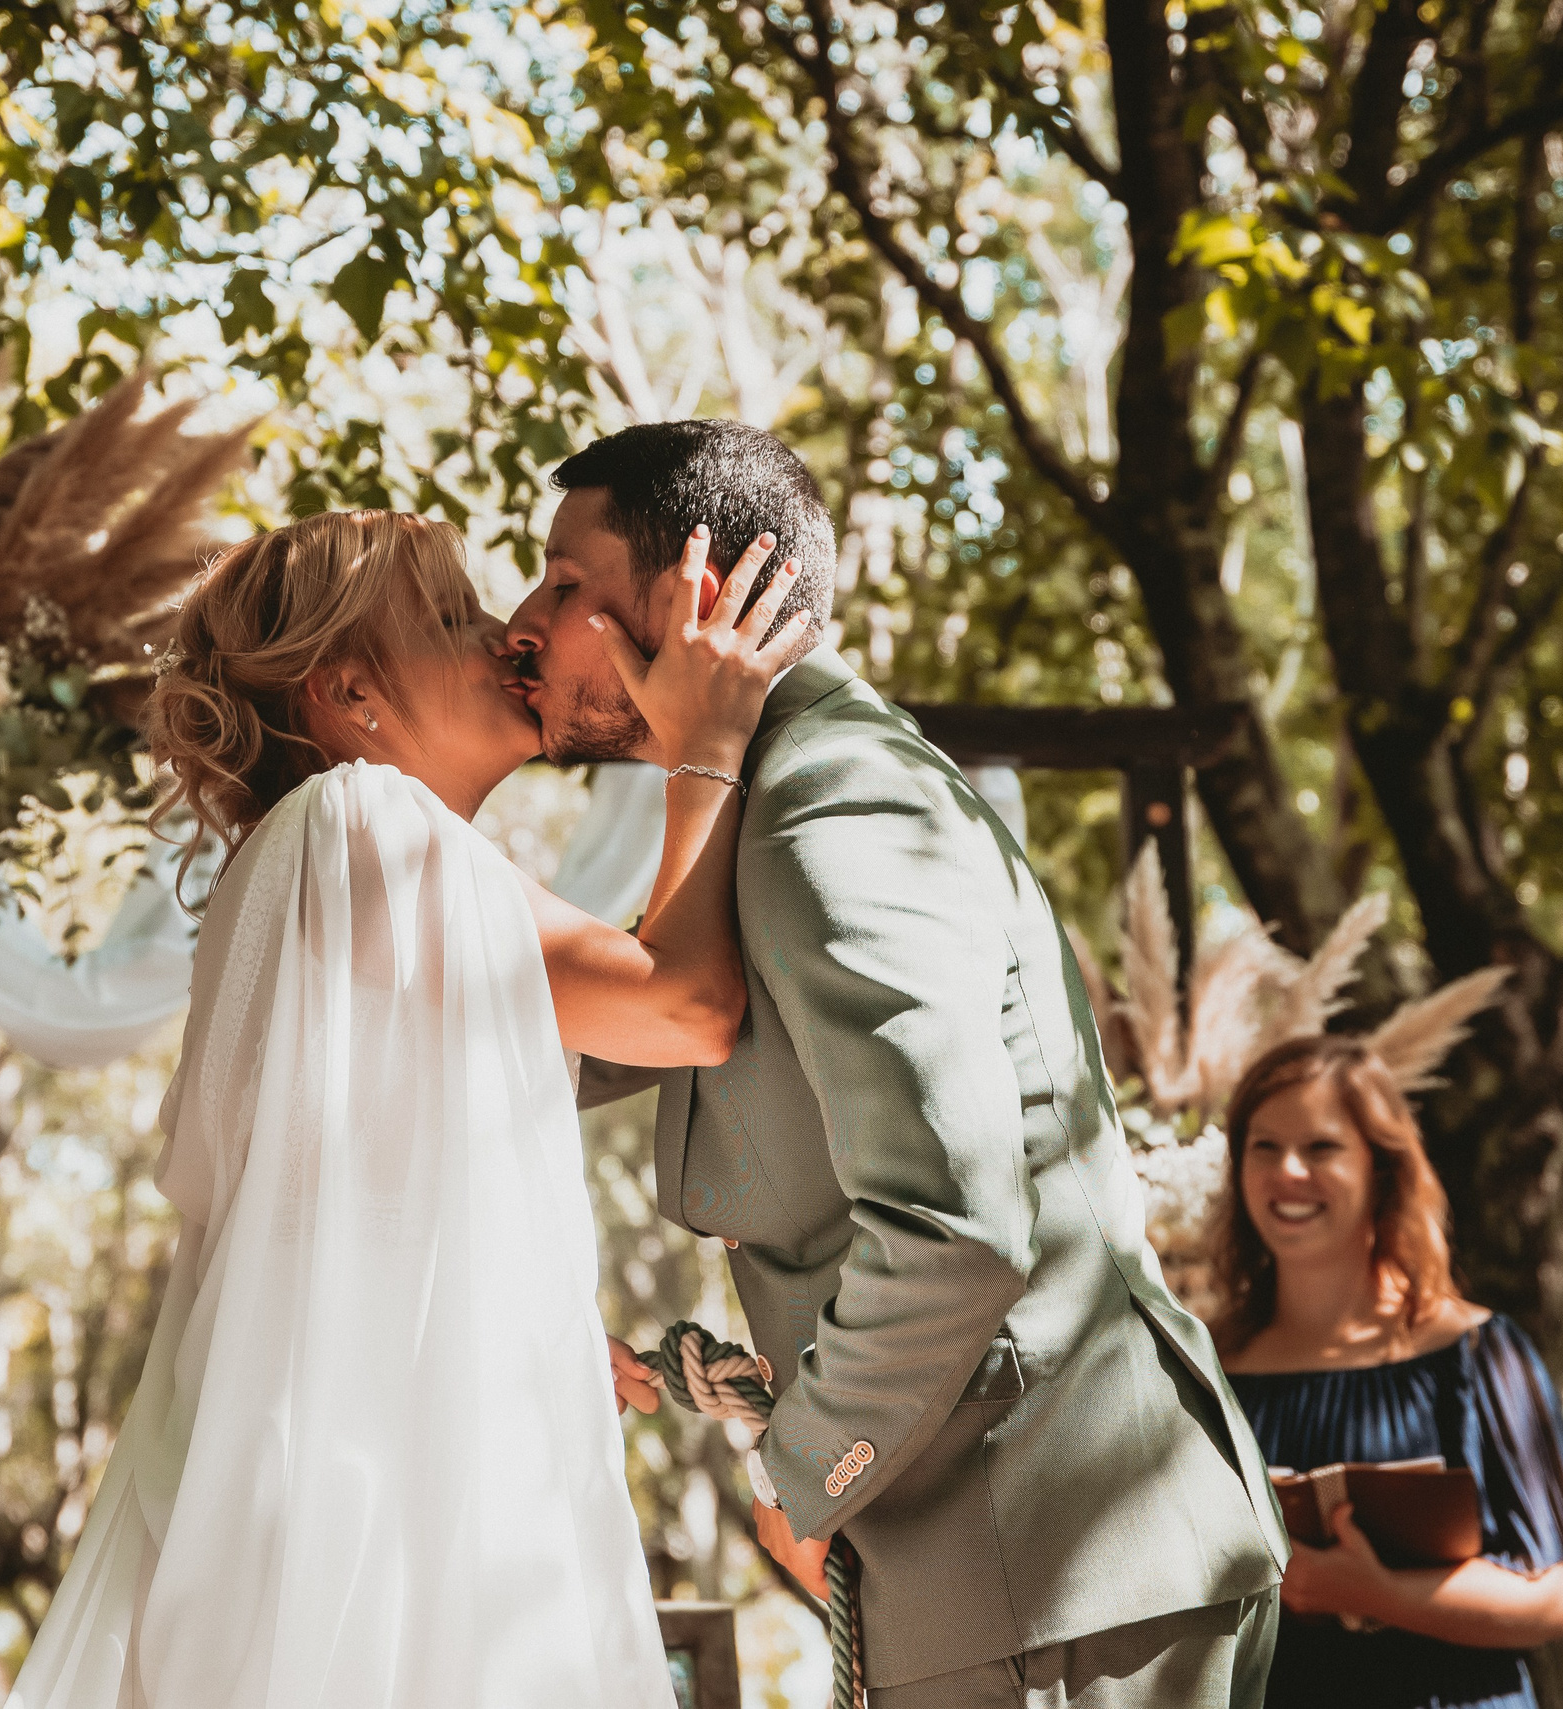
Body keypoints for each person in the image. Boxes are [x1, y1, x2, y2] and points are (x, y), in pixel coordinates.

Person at [512, 417, 1286, 1708]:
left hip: (1056, 1578)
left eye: (564, 584)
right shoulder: (767, 801)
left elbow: (956, 1227)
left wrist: (795, 1466)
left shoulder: (830, 803)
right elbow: (587, 1031)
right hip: (1020, 1582)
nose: (525, 621)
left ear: (693, 594)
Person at [4, 508, 814, 1709]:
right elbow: (687, 1007)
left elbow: (341, 1212)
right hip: (355, 1526)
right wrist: (710, 744)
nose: (505, 635)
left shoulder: (316, 869)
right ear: (350, 692)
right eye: (448, 616)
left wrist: (502, 1313)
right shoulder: (362, 824)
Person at [1215, 1035, 1563, 1709]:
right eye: (1265, 1146)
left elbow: (1560, 1592)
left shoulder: (1481, 1353)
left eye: (1323, 1146)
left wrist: (1374, 1593)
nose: (1289, 1171)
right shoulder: (1204, 1367)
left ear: (1382, 1168)